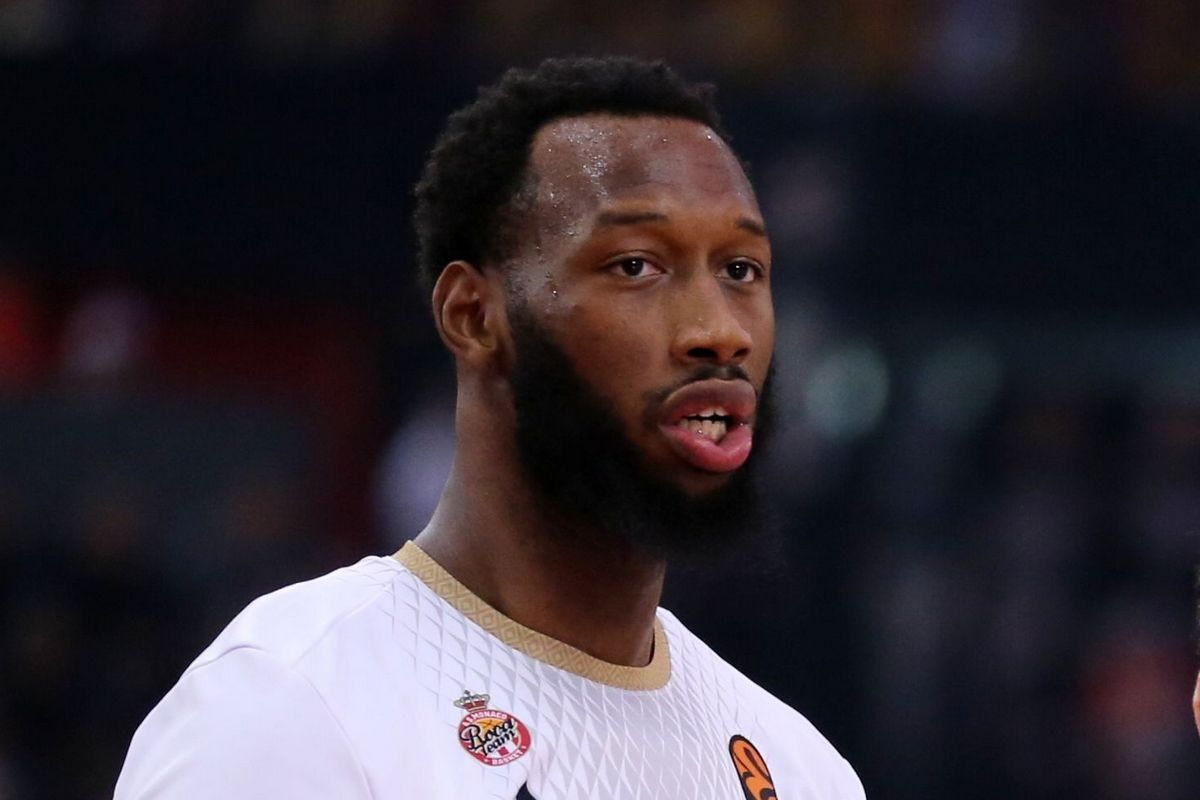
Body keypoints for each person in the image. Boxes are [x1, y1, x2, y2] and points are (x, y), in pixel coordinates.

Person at [114, 56, 866, 799]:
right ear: (473, 316)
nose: (719, 331)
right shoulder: (294, 708)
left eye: (741, 270)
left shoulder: (802, 770)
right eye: (637, 265)